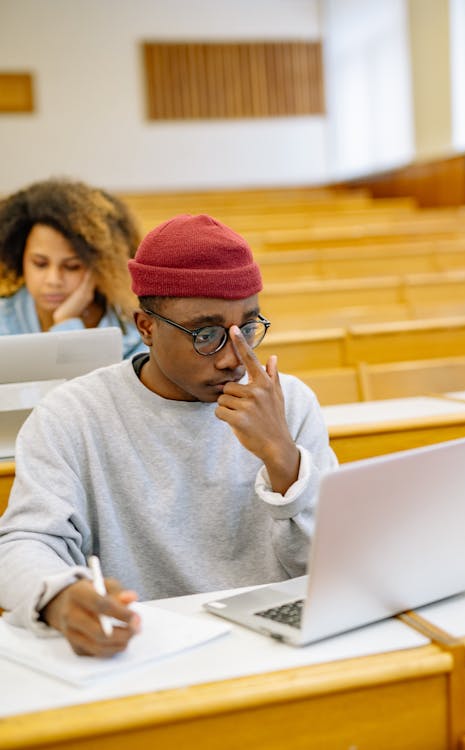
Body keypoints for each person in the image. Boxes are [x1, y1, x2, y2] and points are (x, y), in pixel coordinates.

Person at [0, 214, 337, 657]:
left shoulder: (288, 403)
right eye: (206, 334)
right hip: (145, 648)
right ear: (146, 327)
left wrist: (283, 458)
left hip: (280, 647)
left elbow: (335, 564)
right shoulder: (72, 415)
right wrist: (59, 597)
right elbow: (26, 542)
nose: (234, 358)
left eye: (248, 328)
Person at [0, 177, 147, 359]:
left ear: (100, 267)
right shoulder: (4, 321)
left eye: (72, 267)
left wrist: (67, 323)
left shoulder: (136, 328)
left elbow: (92, 387)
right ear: (19, 257)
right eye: (40, 263)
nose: (53, 280)